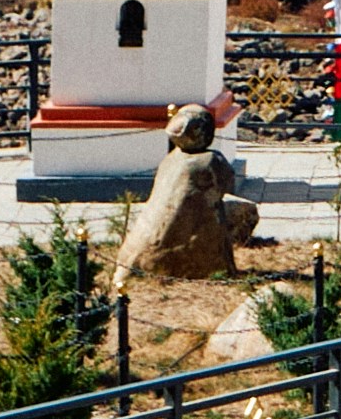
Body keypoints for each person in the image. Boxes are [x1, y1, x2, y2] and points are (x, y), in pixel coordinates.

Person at [110, 96, 269, 287]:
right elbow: (227, 181)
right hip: (189, 241)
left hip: (141, 250)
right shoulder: (208, 162)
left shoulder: (172, 160)